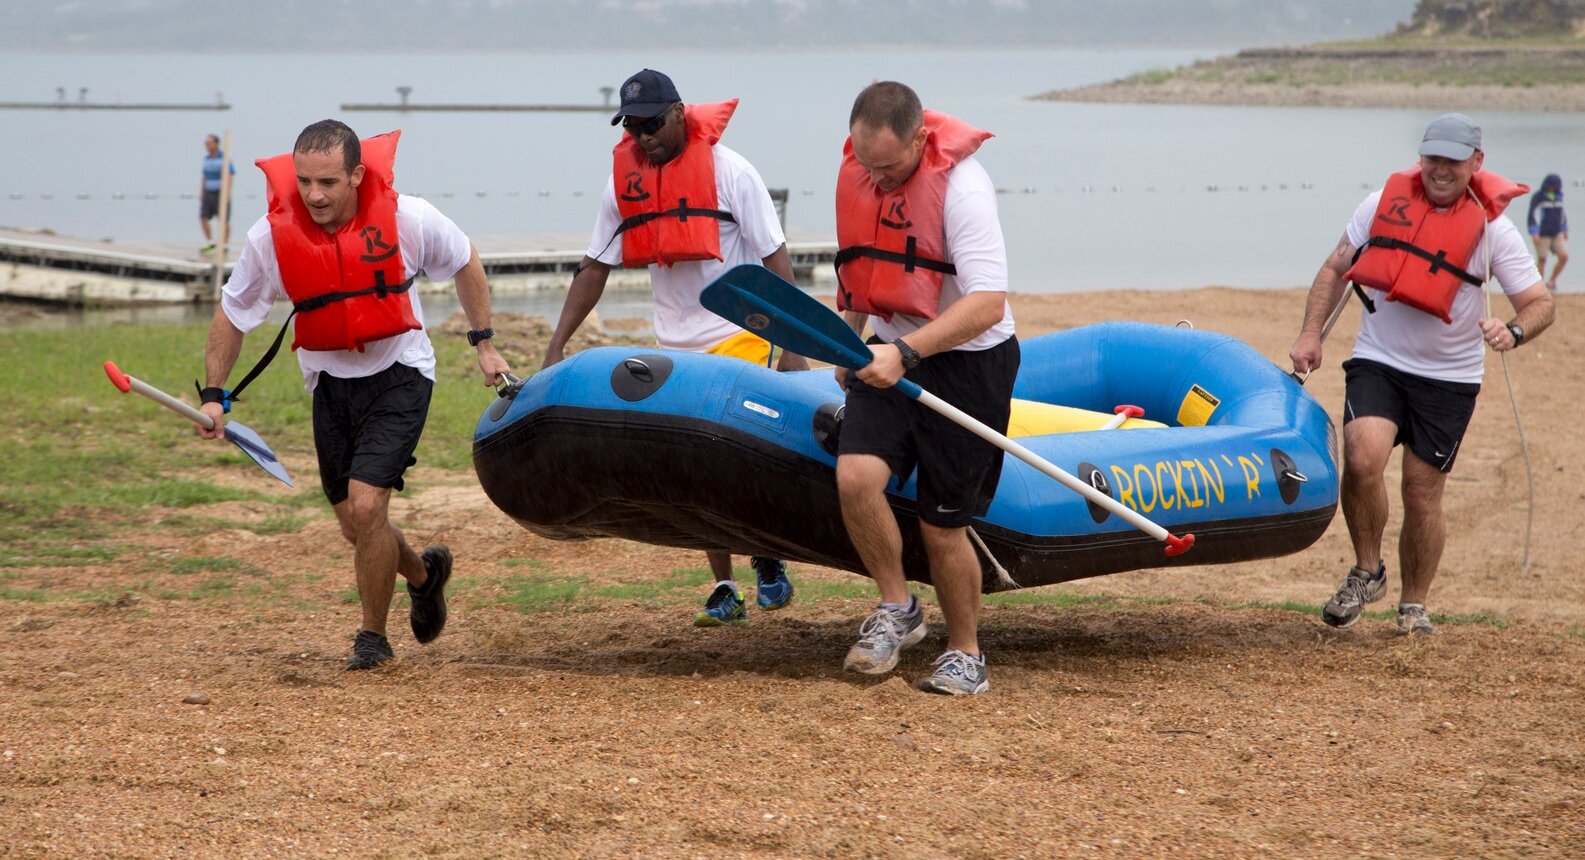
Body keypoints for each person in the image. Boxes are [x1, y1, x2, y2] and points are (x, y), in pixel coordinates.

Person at [195, 120, 511, 670]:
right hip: (329, 384)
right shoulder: (270, 236)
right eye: (305, 182)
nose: (314, 195)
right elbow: (233, 311)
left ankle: (372, 639)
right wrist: (215, 393)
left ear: (358, 175)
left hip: (400, 372)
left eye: (329, 183)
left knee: (368, 507)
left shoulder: (409, 218)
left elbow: (465, 260)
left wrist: (484, 343)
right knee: (354, 524)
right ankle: (424, 573)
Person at [541, 68, 807, 626]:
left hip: (741, 334)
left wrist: (791, 343)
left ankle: (766, 553)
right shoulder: (623, 185)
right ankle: (726, 587)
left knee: (730, 463)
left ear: (681, 112)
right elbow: (594, 267)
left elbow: (775, 256)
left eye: (653, 122)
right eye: (633, 127)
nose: (644, 136)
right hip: (675, 345)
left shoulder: (732, 173)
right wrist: (557, 344)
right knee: (690, 469)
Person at [1289, 113, 1554, 636]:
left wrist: (1515, 331)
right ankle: (1367, 571)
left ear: (1476, 163)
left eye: (1453, 160)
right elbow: (1334, 267)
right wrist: (1311, 333)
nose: (1440, 169)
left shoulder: (1494, 230)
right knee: (1362, 456)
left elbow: (1539, 303)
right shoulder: (1379, 203)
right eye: (1433, 157)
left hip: (1450, 378)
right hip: (1379, 359)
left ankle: (1413, 606)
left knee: (1420, 491)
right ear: (1422, 156)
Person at [832, 80, 1018, 696]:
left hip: (968, 363)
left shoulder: (964, 189)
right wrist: (848, 338)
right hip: (887, 348)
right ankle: (897, 607)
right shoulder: (865, 175)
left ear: (920, 138)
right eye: (867, 166)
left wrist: (907, 353)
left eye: (889, 166)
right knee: (856, 476)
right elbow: (861, 267)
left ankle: (966, 652)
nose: (878, 181)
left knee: (943, 526)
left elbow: (988, 303)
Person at [1527, 172, 1568, 290]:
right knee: (1542, 259)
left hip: (1557, 232)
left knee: (1564, 256)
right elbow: (1532, 215)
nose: (1553, 188)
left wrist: (1564, 228)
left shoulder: (1559, 196)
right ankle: (1539, 286)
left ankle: (1552, 281)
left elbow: (1562, 214)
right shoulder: (1538, 197)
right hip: (1542, 233)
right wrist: (1534, 232)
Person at [199, 133, 235, 253]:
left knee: (223, 218)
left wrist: (227, 193)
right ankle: (210, 241)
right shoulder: (206, 159)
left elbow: (230, 175)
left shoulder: (223, 158)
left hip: (221, 192)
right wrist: (202, 193)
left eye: (209, 143)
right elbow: (204, 177)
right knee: (203, 216)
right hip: (209, 191)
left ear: (215, 144)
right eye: (206, 144)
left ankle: (225, 244)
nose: (207, 146)